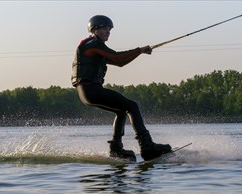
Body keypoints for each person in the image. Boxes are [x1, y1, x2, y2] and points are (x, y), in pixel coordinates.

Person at [72, 15, 172, 162]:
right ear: (94, 29)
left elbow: (120, 63)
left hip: (87, 93)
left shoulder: (97, 46)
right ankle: (147, 146)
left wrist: (140, 52)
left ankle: (116, 149)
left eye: (109, 28)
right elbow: (118, 57)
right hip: (90, 90)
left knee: (121, 111)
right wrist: (139, 50)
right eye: (104, 28)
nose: (108, 31)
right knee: (132, 106)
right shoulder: (92, 44)